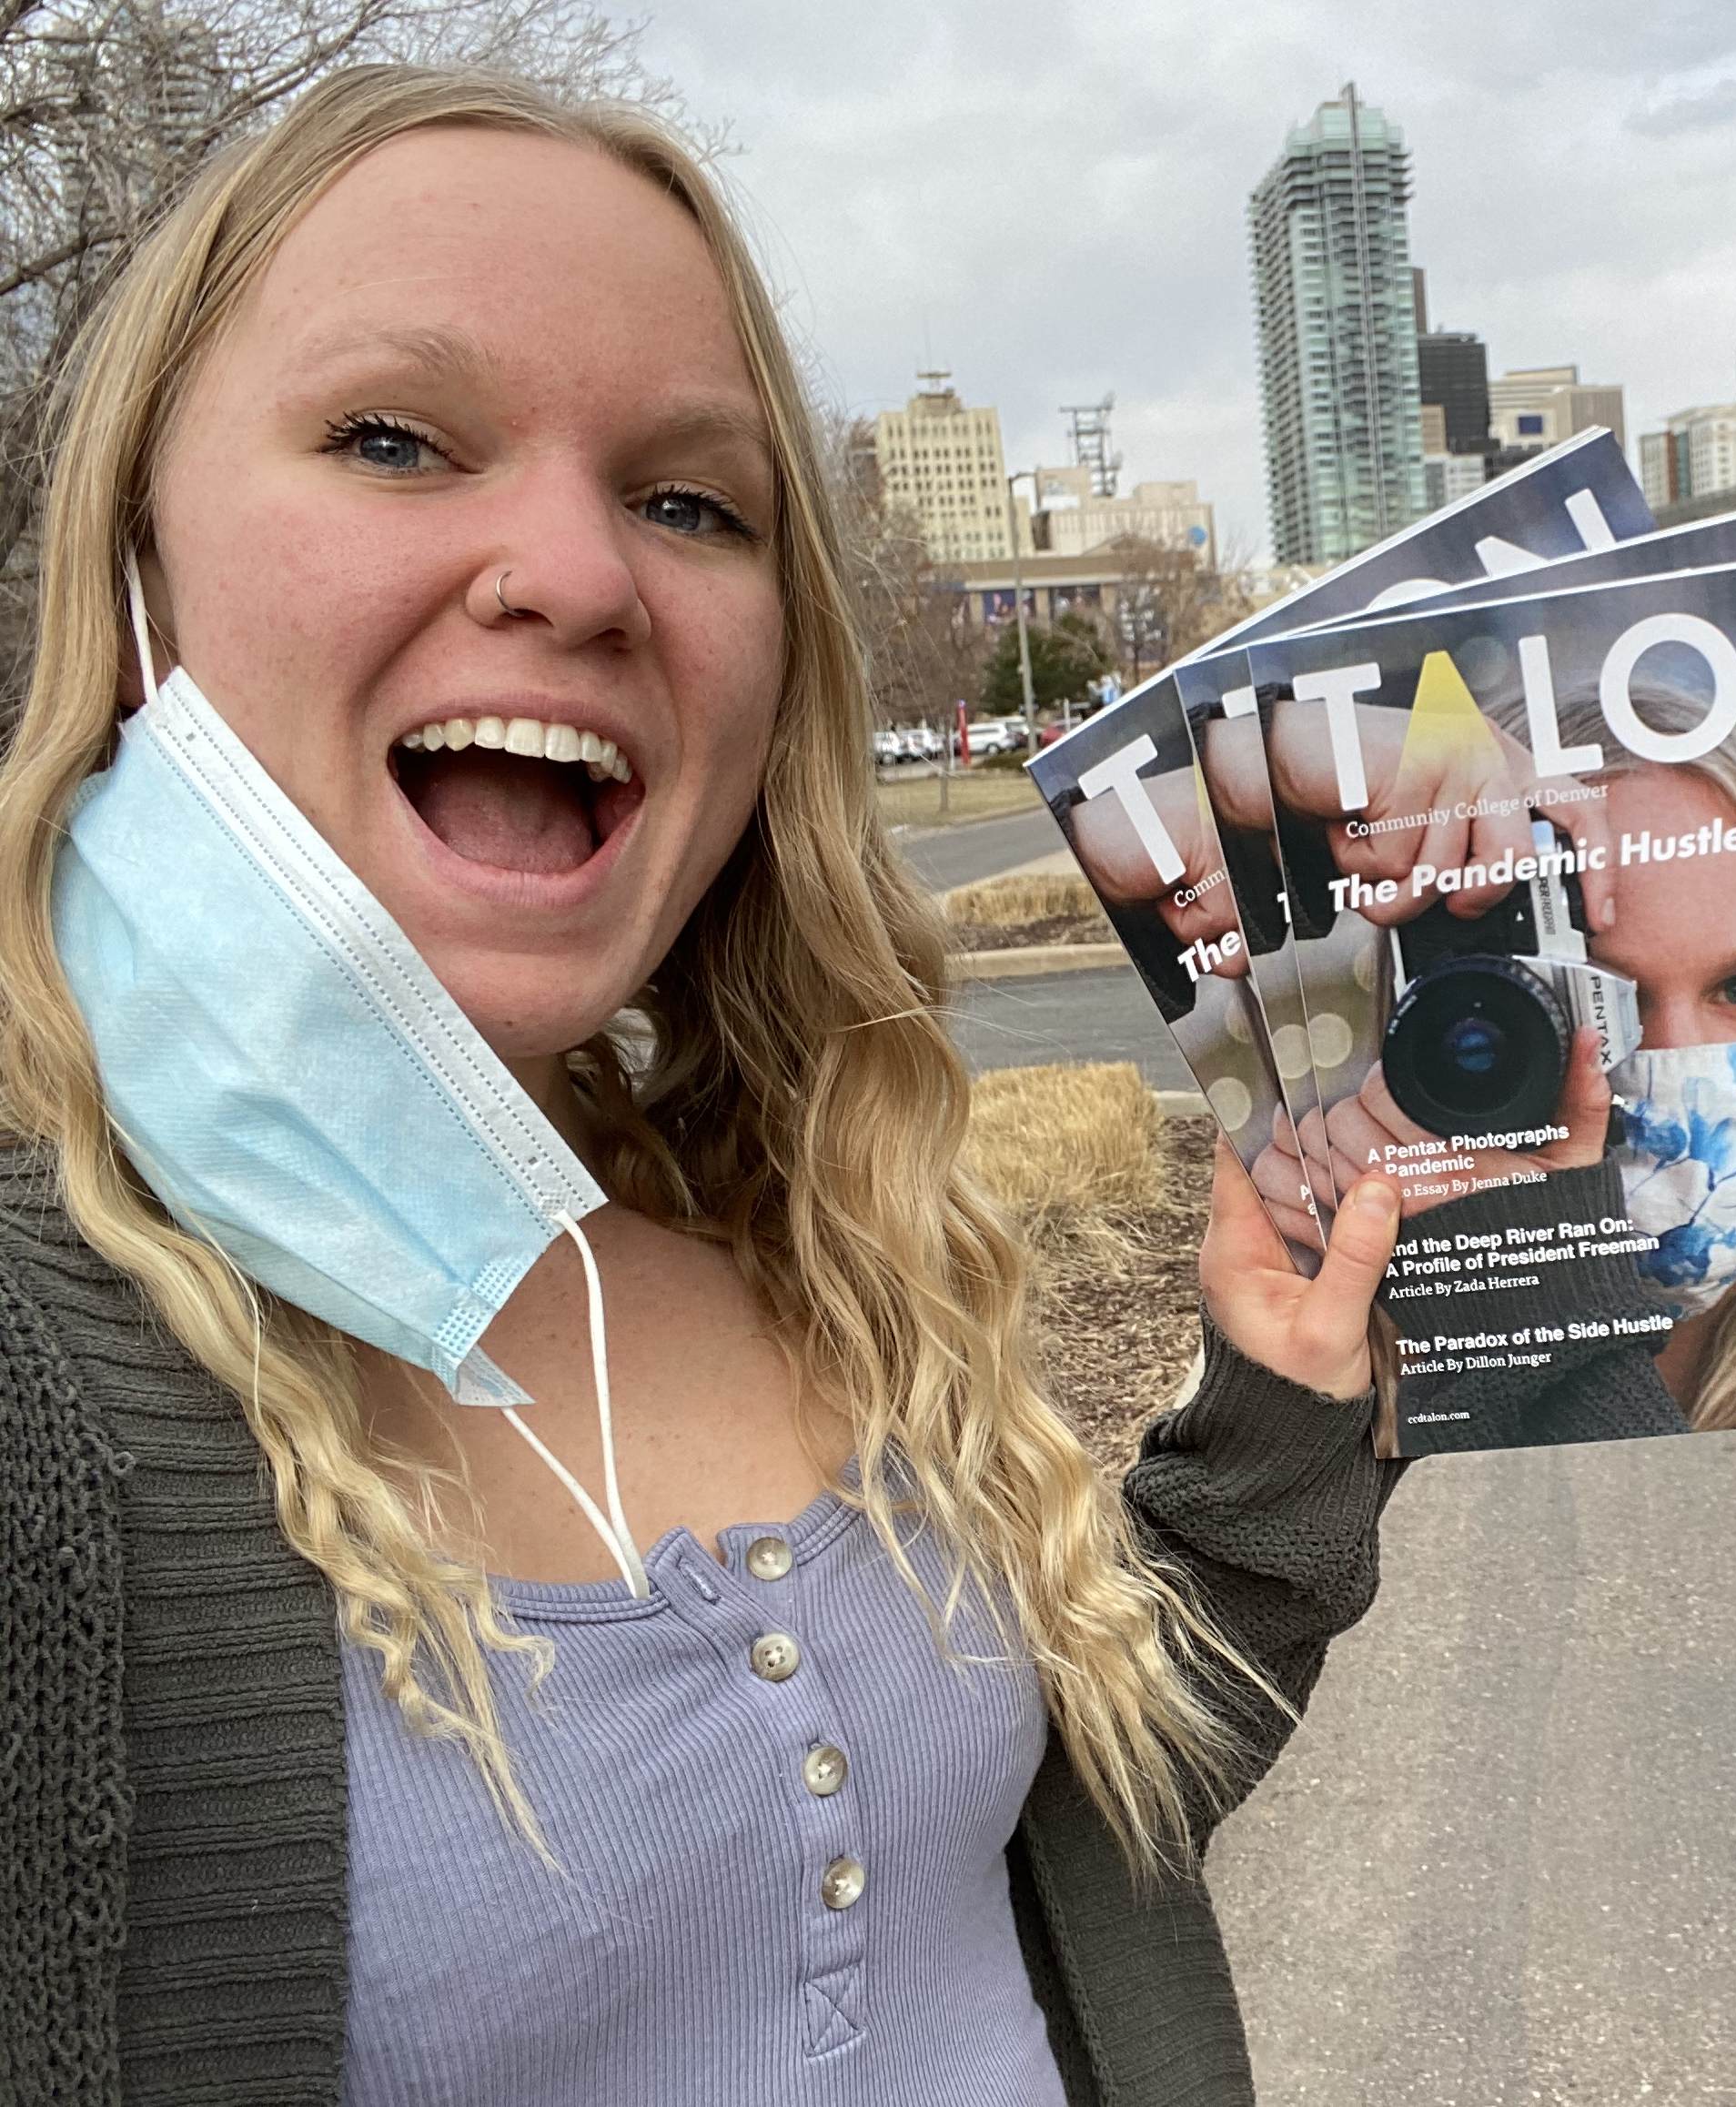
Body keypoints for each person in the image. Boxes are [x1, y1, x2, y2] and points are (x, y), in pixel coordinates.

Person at [0, 67, 1404, 2104]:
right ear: (133, 589)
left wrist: (1271, 1429)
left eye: (690, 503)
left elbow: (1032, 1853)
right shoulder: (39, 1402)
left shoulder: (806, 1253)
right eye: (394, 440)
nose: (577, 576)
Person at [1266, 681, 1736, 1452]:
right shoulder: (1328, 1367)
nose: (1674, 1064)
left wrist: (1533, 1305)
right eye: (1598, 996)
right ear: (1434, 1029)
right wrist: (1243, 756)